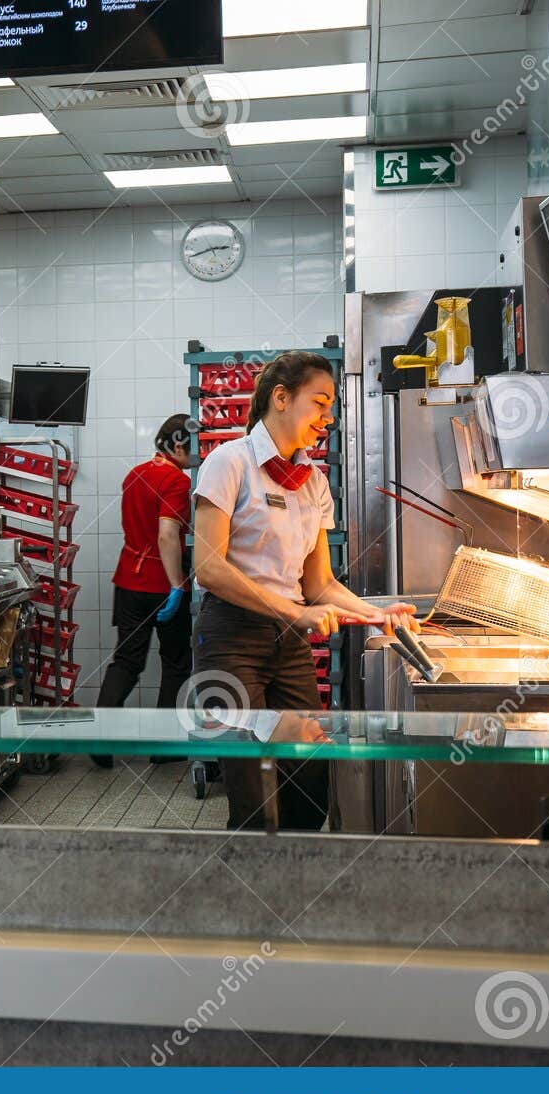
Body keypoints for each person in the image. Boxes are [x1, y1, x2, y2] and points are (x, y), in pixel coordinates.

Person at [192, 351, 416, 831]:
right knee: (253, 789)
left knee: (309, 776)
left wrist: (377, 614)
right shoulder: (227, 463)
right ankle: (251, 891)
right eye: (319, 402)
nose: (328, 417)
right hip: (232, 638)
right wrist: (293, 613)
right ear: (280, 398)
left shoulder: (313, 482)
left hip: (288, 643)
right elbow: (208, 568)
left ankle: (296, 885)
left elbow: (319, 585)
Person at [93, 414, 194, 769]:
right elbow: (167, 535)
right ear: (179, 445)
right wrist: (177, 585)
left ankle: (100, 740)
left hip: (128, 581)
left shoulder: (135, 474)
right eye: (193, 450)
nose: (196, 459)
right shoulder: (176, 481)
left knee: (127, 661)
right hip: (161, 584)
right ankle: (165, 747)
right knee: (177, 663)